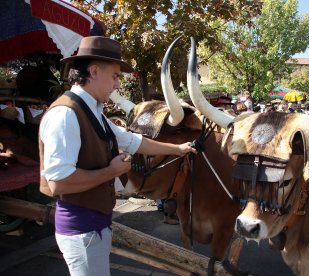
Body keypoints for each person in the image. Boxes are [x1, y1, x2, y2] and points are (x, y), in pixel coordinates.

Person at [38, 36, 196, 276]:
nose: (117, 85)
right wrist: (112, 171)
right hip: (82, 230)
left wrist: (178, 149)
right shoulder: (65, 115)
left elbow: (134, 142)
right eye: (114, 76)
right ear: (93, 71)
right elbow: (59, 182)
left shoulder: (93, 111)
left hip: (95, 226)